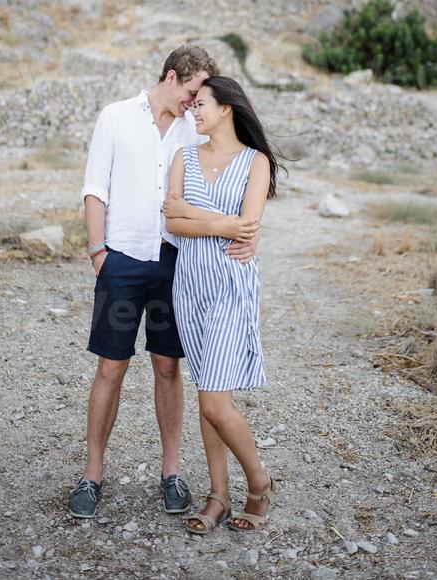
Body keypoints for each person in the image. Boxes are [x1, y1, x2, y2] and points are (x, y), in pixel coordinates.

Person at [68, 45, 220, 520]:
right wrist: (99, 255)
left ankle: (171, 472)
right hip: (122, 263)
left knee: (168, 368)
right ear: (173, 77)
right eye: (193, 91)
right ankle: (92, 474)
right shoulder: (115, 117)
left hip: (173, 264)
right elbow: (96, 187)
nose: (195, 103)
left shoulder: (194, 130)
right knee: (110, 368)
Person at [163, 76, 283, 533]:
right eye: (192, 104)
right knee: (208, 391)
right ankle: (218, 495)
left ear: (227, 108)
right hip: (189, 284)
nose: (193, 111)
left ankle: (258, 481)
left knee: (214, 400)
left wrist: (195, 215)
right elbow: (171, 219)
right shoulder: (183, 157)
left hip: (232, 283)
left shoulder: (255, 163)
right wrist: (221, 222)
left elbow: (247, 228)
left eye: (202, 104)